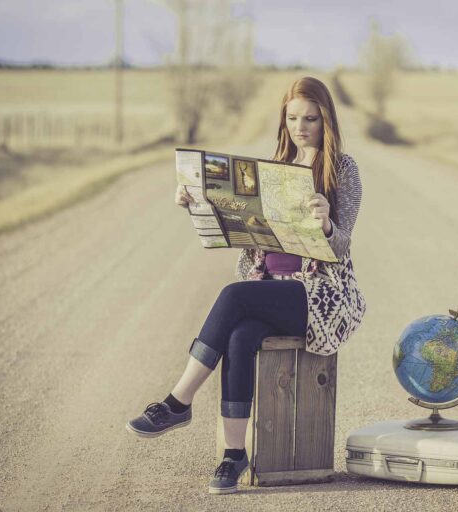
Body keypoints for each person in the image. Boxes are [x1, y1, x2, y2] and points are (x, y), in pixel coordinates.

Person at [126, 76, 367, 495]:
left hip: (320, 295)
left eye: (310, 118)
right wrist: (196, 201)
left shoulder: (343, 169)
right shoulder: (273, 168)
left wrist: (327, 221)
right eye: (292, 118)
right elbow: (238, 221)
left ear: (326, 119)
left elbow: (343, 242)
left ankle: (177, 401)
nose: (300, 127)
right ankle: (233, 456)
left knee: (233, 295)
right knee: (239, 335)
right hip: (269, 284)